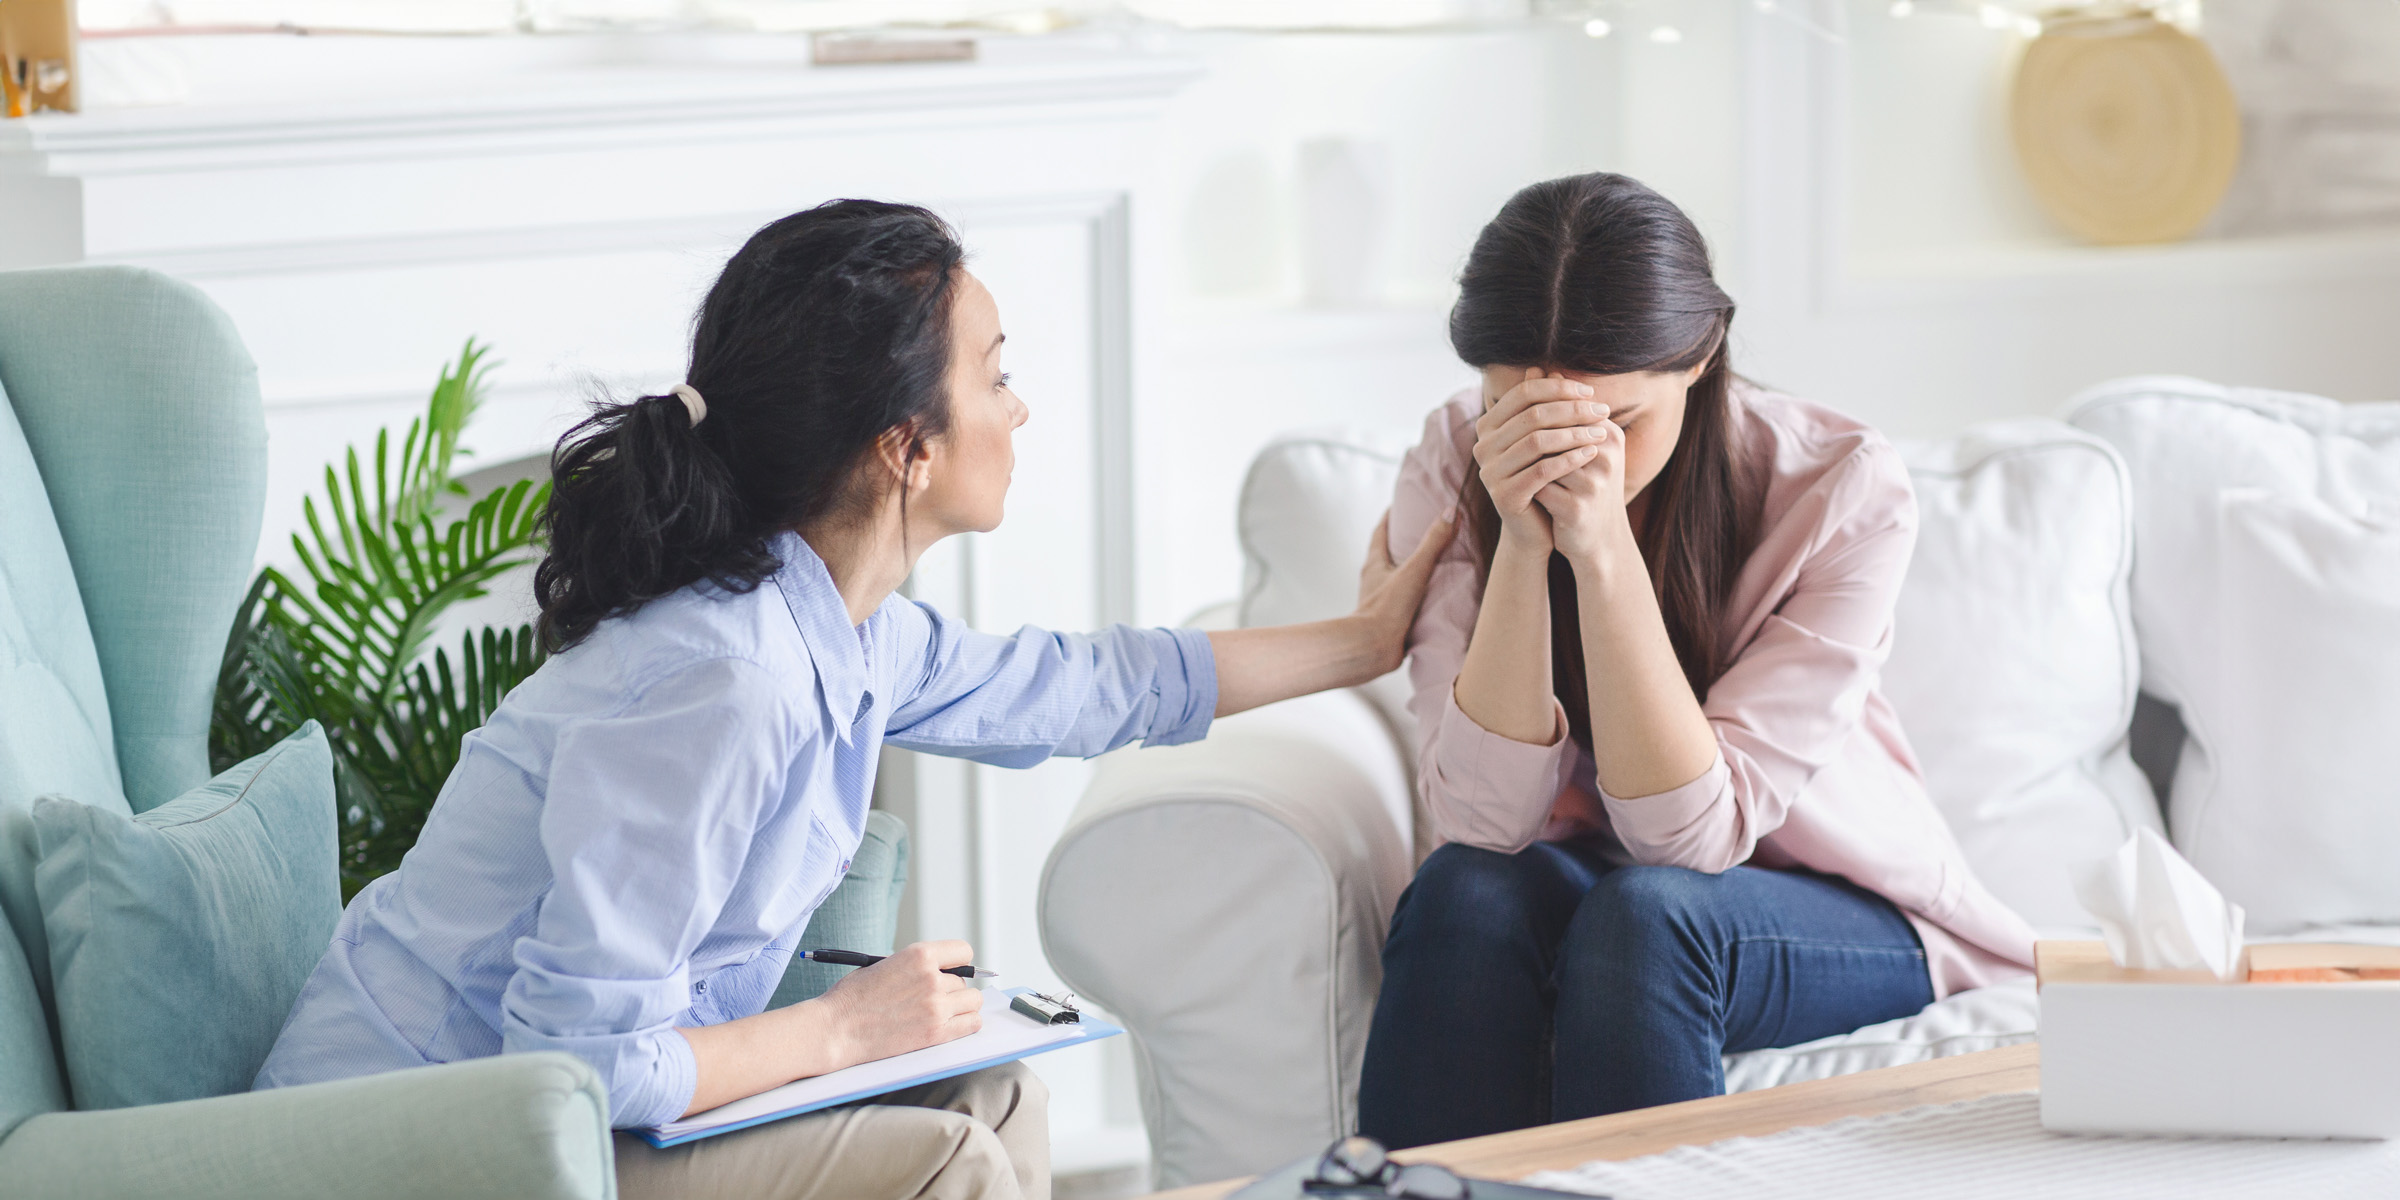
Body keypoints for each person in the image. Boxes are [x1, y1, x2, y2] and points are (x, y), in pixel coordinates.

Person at [254, 199, 1450, 1200]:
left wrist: (1367, 640)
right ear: (906, 448)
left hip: (543, 1117)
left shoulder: (844, 628)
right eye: (996, 377)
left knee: (997, 1088)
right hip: (424, 1146)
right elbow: (574, 1062)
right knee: (950, 1164)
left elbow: (1088, 688)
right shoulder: (727, 680)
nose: (1020, 409)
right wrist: (848, 1029)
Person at [1355, 173, 2038, 1149]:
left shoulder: (1838, 485)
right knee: (1462, 894)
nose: (1563, 459)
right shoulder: (1451, 455)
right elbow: (1482, 821)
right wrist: (1519, 538)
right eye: (1515, 412)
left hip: (1833, 902)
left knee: (1649, 915)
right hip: (1586, 878)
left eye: (1617, 424)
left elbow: (1687, 842)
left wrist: (1598, 548)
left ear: (1701, 356)